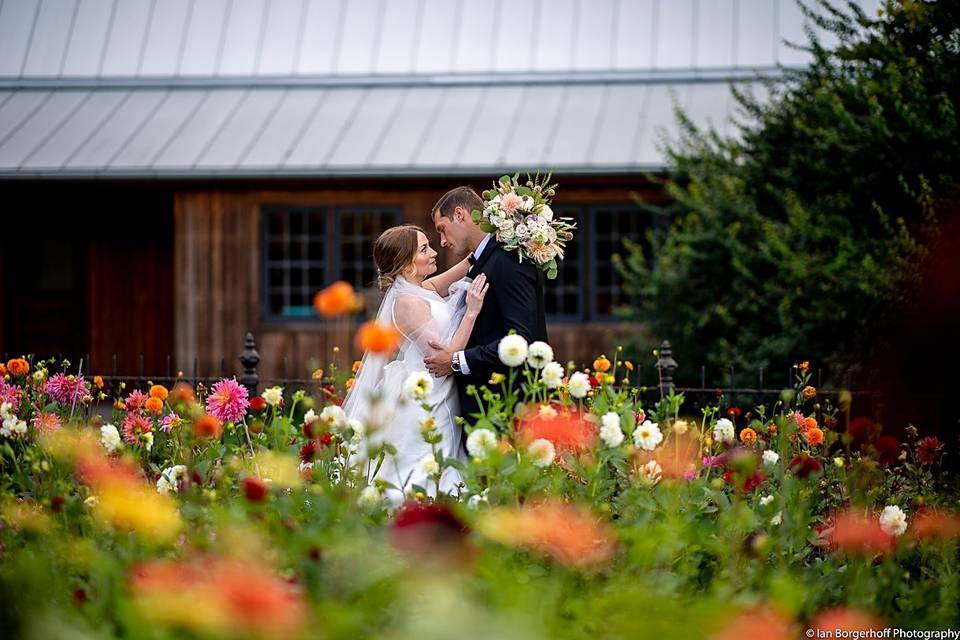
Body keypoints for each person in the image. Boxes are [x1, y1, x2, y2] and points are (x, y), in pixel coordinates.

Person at [342, 224, 487, 503]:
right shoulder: (408, 303)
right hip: (430, 397)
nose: (434, 252)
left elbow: (440, 283)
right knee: (423, 468)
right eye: (424, 249)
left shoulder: (418, 290)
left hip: (441, 392)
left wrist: (478, 253)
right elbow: (443, 357)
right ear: (407, 263)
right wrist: (471, 312)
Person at [423, 187, 549, 424]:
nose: (442, 241)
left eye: (442, 230)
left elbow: (521, 339)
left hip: (507, 409)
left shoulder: (509, 261)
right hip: (484, 408)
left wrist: (457, 361)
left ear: (460, 215)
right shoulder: (483, 260)